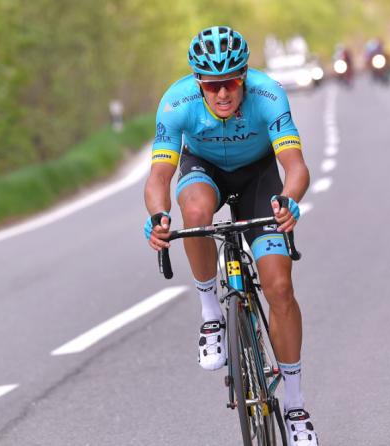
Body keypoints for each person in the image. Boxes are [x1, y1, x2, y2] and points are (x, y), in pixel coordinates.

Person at [143, 26, 318, 445]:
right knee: (197, 214)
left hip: (259, 178)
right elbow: (159, 177)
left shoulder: (269, 94)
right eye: (213, 85)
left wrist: (289, 199)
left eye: (232, 82)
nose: (223, 94)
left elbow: (294, 166)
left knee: (279, 287)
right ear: (198, 83)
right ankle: (211, 315)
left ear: (244, 76)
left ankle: (294, 406)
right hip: (203, 171)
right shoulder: (176, 102)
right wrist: (158, 216)